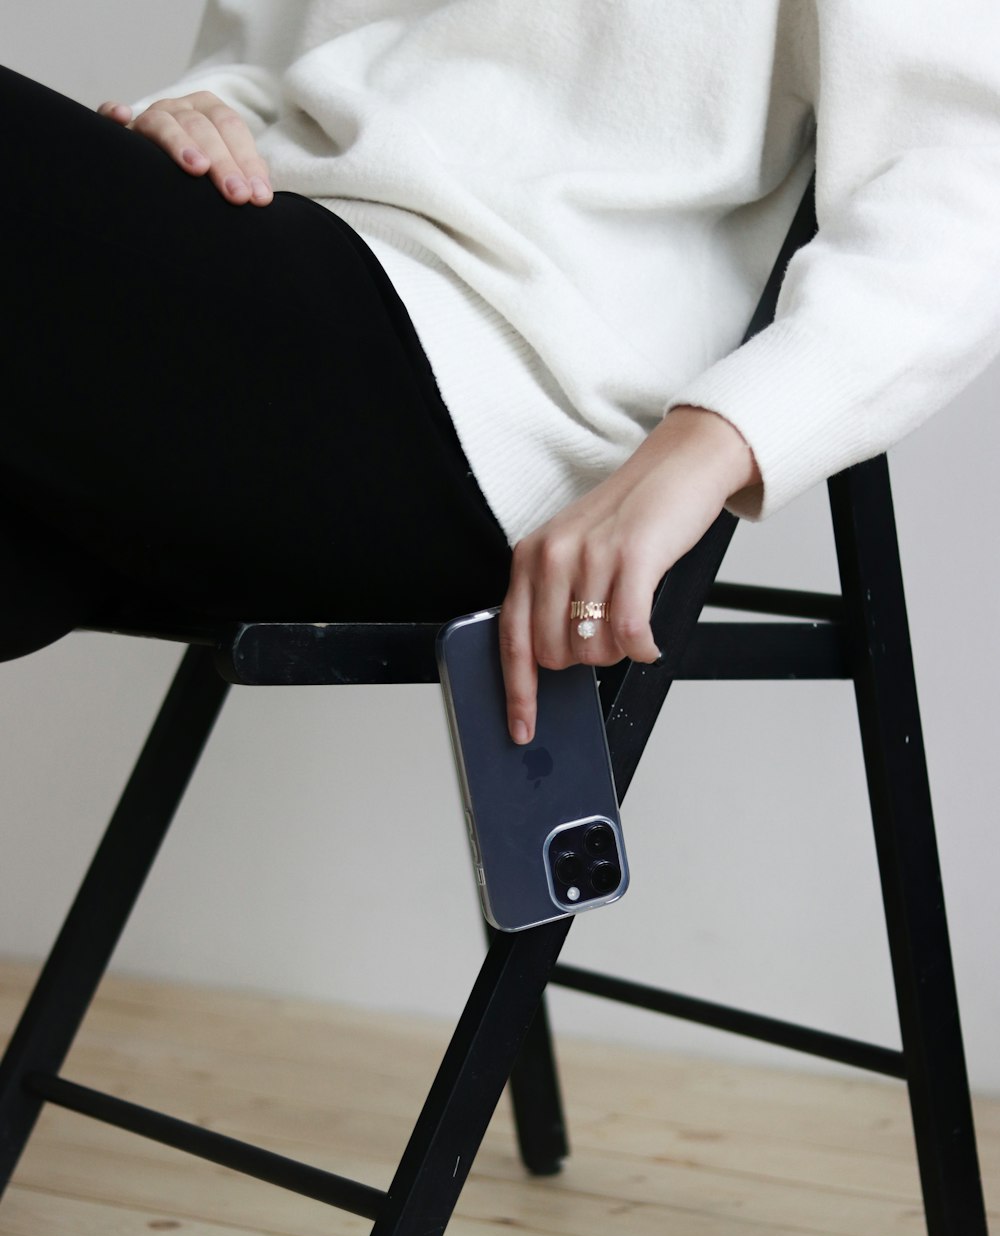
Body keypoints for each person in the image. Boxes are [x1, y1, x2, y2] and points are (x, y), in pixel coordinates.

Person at [3, 1, 999, 746]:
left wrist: (710, 440)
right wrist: (199, 112)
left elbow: (962, 192)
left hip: (480, 373)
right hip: (258, 255)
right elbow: (267, 52)